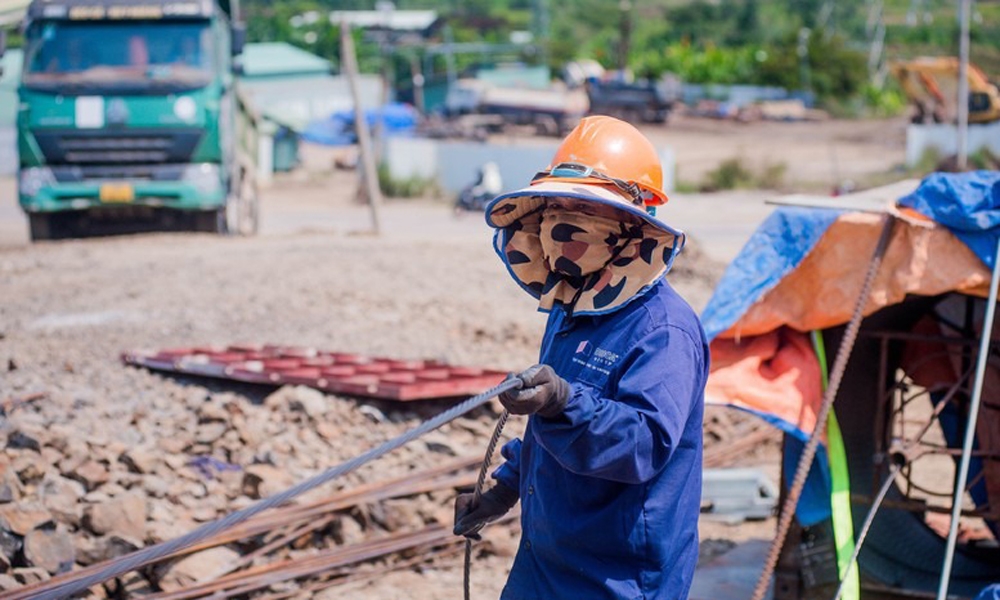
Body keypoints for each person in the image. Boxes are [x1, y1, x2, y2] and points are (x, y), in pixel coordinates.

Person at [453, 115, 709, 599]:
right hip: (545, 563)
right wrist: (504, 490)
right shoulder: (573, 307)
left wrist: (565, 400)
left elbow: (644, 445)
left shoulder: (664, 330)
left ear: (629, 223)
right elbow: (547, 432)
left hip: (618, 579)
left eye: (583, 207)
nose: (562, 219)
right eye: (557, 206)